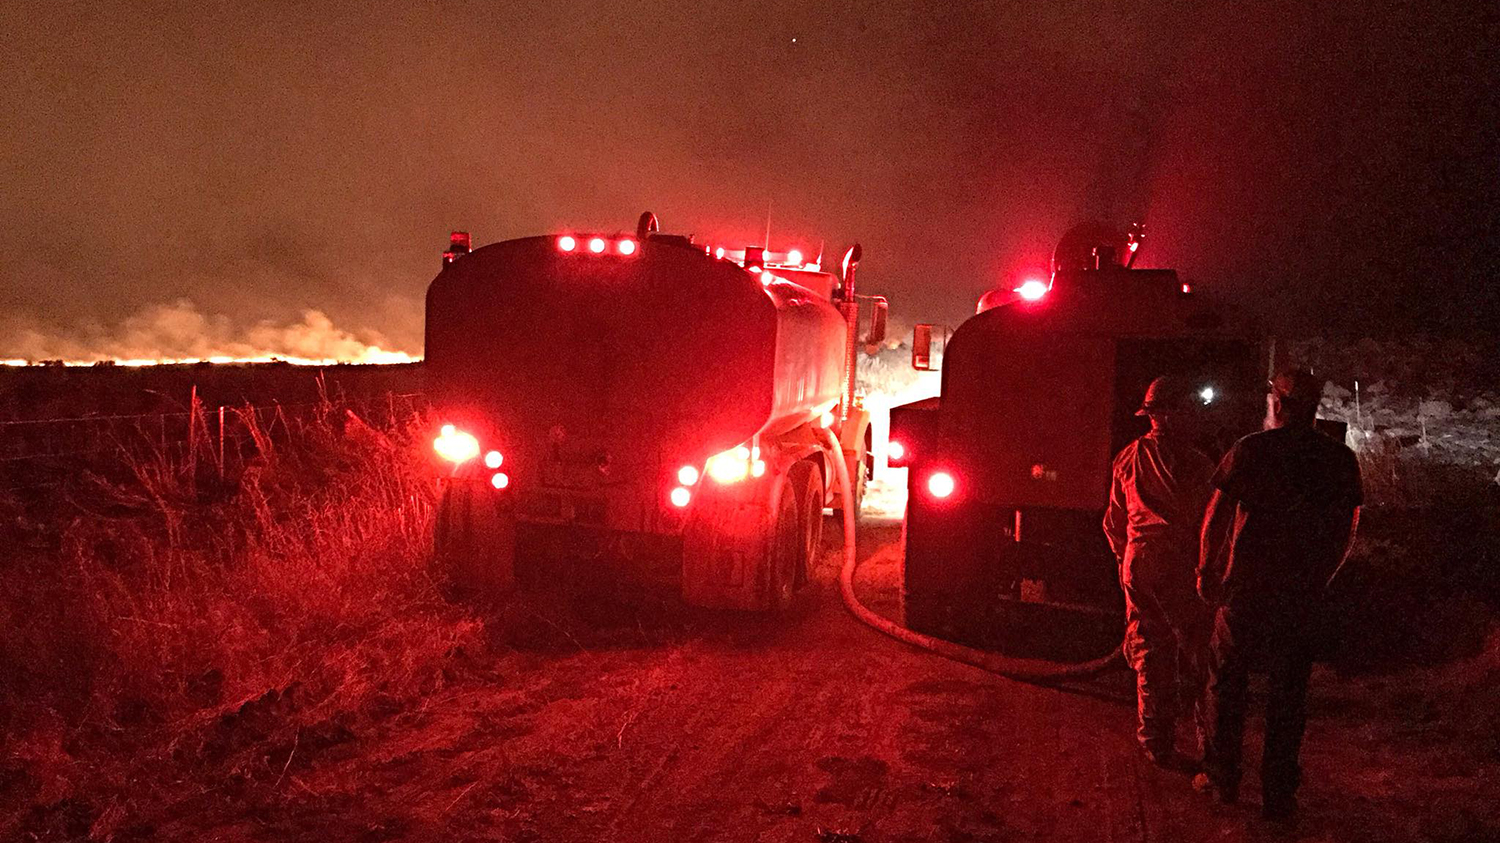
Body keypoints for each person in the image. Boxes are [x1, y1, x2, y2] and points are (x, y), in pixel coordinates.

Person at [1196, 368, 1362, 823]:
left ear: (1278, 404)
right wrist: (1324, 576)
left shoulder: (1251, 449)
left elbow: (1216, 513)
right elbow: (1347, 527)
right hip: (1301, 594)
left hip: (1246, 590)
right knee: (1288, 694)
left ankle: (1223, 779)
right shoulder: (1338, 459)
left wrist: (1206, 569)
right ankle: (1278, 794)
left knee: (1226, 682)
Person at [1104, 375, 1217, 767]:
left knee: (1150, 651)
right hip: (1178, 562)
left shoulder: (1127, 457)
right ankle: (1211, 751)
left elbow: (1114, 522)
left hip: (1138, 560)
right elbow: (1210, 521)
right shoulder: (1196, 464)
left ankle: (1156, 742)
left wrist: (1126, 561)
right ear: (1171, 413)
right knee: (1199, 656)